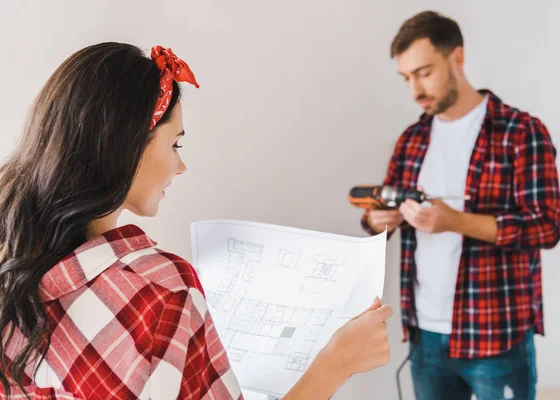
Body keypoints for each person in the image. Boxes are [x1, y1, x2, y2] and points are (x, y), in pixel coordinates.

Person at [0, 42, 392, 400]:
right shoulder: (160, 291)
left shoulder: (15, 262)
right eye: (175, 144)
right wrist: (337, 363)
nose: (181, 165)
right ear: (127, 146)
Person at [361, 11, 560, 400]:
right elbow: (378, 220)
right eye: (406, 78)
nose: (415, 89)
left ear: (456, 58)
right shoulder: (412, 140)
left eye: (424, 72)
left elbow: (546, 227)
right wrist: (377, 220)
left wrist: (455, 221)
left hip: (496, 333)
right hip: (424, 333)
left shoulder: (520, 132)